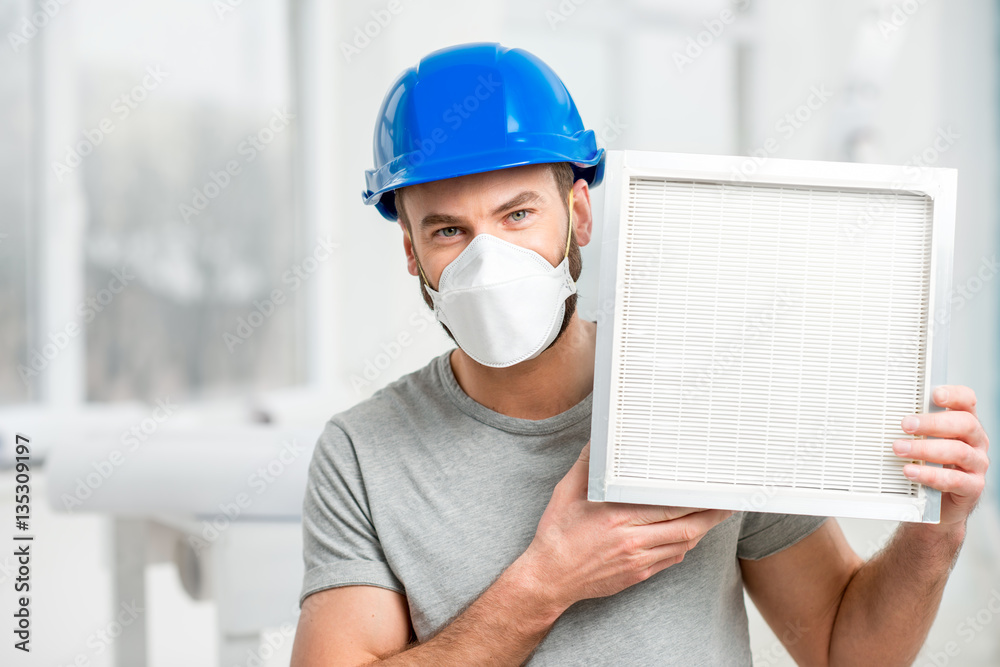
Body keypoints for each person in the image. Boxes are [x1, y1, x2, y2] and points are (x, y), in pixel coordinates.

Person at [290, 42, 990, 666]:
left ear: (581, 214)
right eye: (448, 231)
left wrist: (937, 534)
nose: (488, 261)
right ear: (412, 252)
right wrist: (548, 579)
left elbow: (844, 650)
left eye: (518, 214)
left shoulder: (711, 384)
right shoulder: (364, 453)